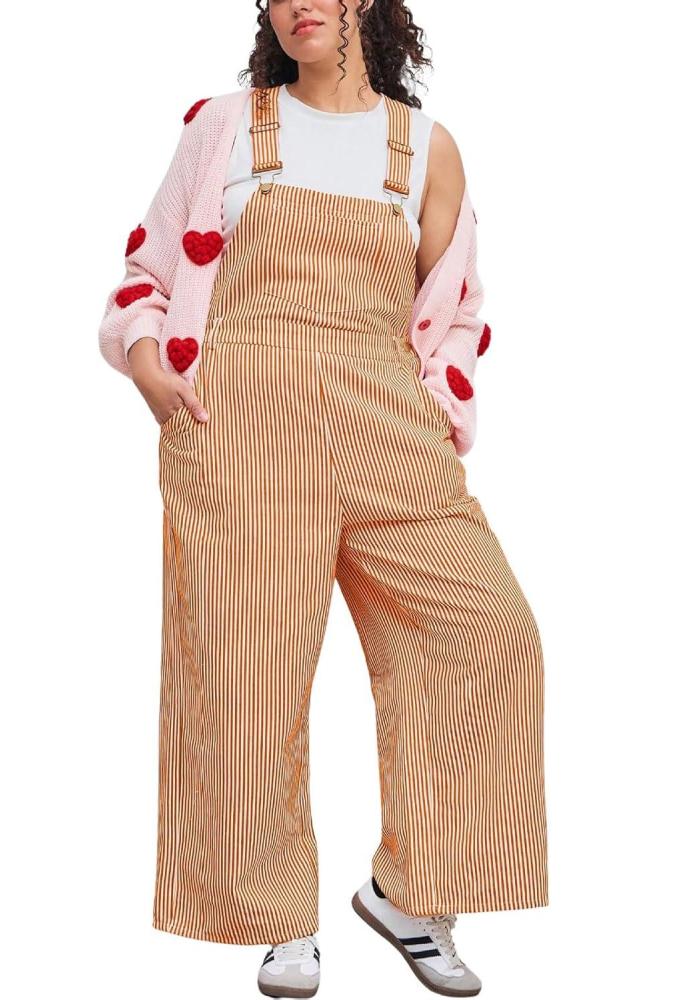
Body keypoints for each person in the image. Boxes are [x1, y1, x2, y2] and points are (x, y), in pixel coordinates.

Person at [97, 2, 547, 997]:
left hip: (387, 419)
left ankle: (413, 892)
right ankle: (276, 917)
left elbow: (458, 307)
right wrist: (149, 367)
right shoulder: (224, 126)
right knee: (249, 669)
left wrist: (435, 407)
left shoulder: (424, 145)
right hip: (243, 419)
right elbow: (146, 273)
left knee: (488, 632)